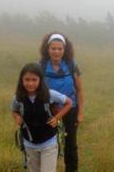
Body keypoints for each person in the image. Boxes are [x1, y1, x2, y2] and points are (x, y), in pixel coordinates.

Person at [12, 62, 72, 172]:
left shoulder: (50, 94)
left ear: (40, 80)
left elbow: (69, 103)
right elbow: (14, 110)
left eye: (34, 80)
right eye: (27, 79)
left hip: (49, 143)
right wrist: (16, 117)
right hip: (29, 144)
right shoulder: (17, 98)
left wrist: (56, 118)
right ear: (22, 80)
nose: (30, 83)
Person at [40, 33, 84, 172]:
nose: (56, 51)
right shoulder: (40, 65)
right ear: (48, 49)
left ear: (65, 49)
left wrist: (81, 113)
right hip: (48, 110)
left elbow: (79, 90)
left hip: (71, 109)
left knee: (71, 144)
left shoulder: (71, 65)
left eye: (60, 48)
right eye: (53, 48)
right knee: (46, 144)